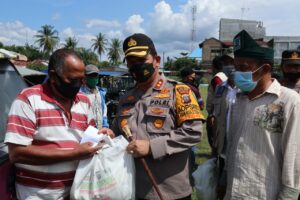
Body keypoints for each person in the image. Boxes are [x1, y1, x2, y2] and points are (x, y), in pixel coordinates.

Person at [4, 48, 114, 199]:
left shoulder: (84, 101)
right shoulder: (28, 100)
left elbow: (89, 138)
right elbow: (17, 153)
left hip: (77, 192)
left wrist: (101, 135)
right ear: (53, 76)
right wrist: (73, 154)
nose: (80, 84)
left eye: (82, 79)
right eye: (73, 80)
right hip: (37, 195)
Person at [111, 33, 204, 200]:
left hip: (169, 192)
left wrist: (152, 147)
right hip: (133, 189)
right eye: (132, 63)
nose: (136, 67)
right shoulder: (126, 98)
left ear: (157, 60)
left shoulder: (178, 91)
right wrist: (109, 134)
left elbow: (193, 132)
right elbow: (118, 130)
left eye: (141, 61)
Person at [225, 30, 300, 199]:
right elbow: (232, 146)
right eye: (235, 67)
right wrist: (224, 180)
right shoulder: (236, 99)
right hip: (233, 192)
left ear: (265, 68)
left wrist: (288, 195)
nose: (236, 73)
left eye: (243, 68)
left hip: (265, 193)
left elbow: (294, 156)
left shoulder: (289, 102)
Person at [206, 56, 228, 151]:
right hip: (222, 113)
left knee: (215, 141)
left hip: (216, 115)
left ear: (214, 66)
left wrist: (212, 114)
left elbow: (217, 98)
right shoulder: (225, 76)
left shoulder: (217, 78)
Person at [80, 64, 109, 128]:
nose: (93, 77)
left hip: (100, 128)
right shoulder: (81, 93)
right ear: (85, 77)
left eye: (95, 75)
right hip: (87, 129)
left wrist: (105, 125)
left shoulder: (101, 93)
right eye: (90, 75)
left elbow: (104, 110)